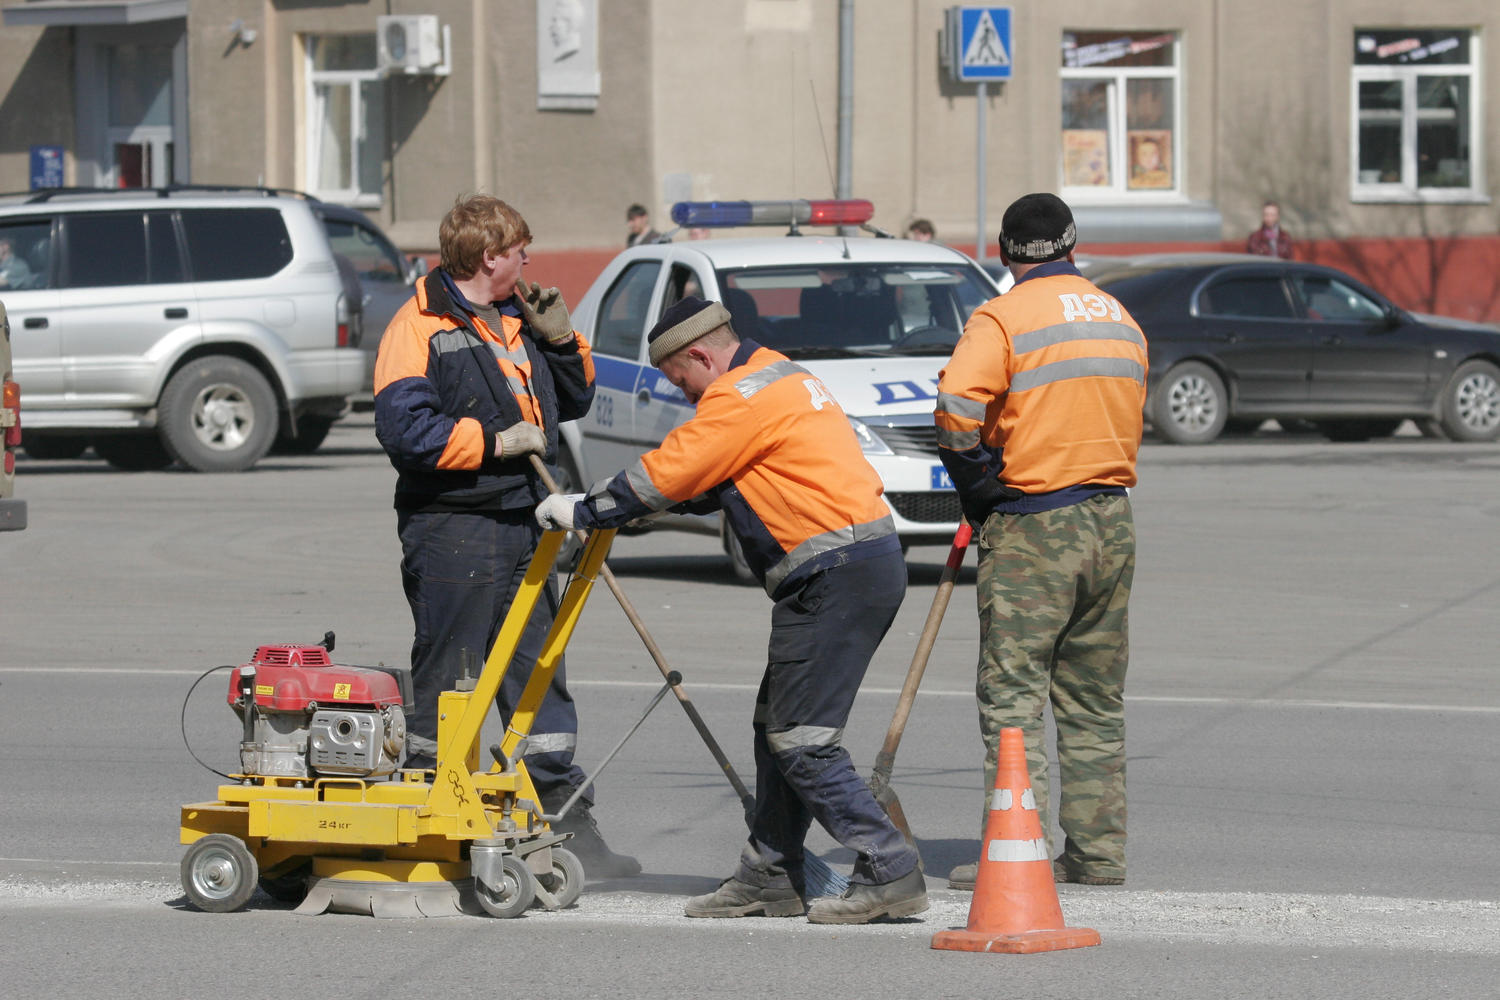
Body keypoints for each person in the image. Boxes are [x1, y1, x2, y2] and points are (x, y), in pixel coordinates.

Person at [534, 297, 926, 924]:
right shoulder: (779, 374)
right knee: (777, 731)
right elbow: (715, 481)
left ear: (700, 354)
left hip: (835, 574)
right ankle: (770, 875)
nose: (680, 391)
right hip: (853, 566)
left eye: (677, 377)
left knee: (803, 742)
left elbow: (668, 473)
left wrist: (584, 509)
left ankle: (890, 868)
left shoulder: (739, 396)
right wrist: (632, 507)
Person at [373, 193, 639, 878]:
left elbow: (575, 399)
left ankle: (563, 823)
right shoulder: (418, 325)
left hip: (526, 519)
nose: (529, 259)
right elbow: (407, 433)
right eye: (520, 248)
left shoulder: (520, 317)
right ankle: (435, 821)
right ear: (488, 255)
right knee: (454, 677)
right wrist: (492, 442)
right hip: (454, 526)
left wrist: (559, 338)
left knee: (536, 673)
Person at [934, 193, 1146, 891]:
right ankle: (1097, 854)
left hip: (1035, 525)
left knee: (1014, 697)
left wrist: (979, 487)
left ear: (1004, 252)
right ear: (1072, 244)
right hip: (1111, 521)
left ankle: (1014, 851)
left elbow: (955, 412)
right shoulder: (1118, 318)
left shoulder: (1003, 318)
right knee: (1093, 699)